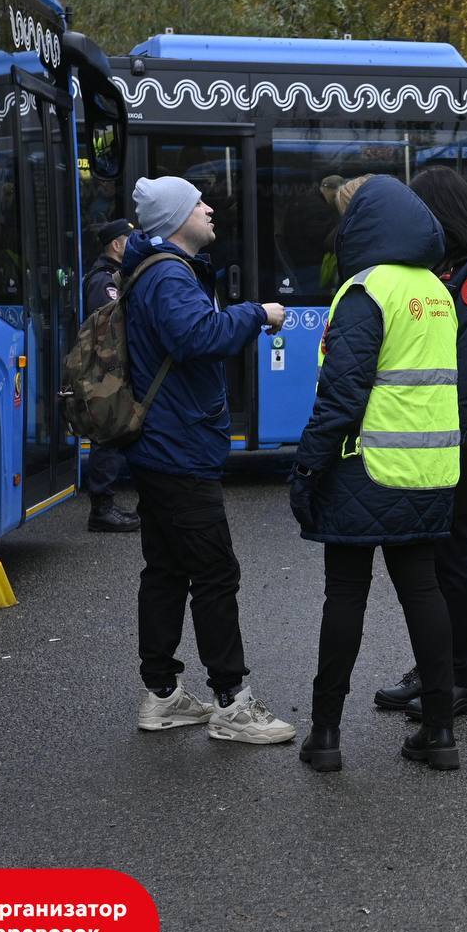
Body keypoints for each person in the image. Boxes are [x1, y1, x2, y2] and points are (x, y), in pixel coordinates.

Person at [289, 175, 461, 773]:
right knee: (424, 592)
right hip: (431, 467)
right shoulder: (436, 291)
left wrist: (307, 466)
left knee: (345, 594)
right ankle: (439, 731)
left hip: (365, 467)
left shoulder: (366, 291)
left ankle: (326, 735)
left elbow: (341, 394)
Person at [121, 176, 295, 741]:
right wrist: (257, 314)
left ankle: (163, 696)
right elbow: (195, 337)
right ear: (176, 217)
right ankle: (232, 703)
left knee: (168, 570)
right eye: (198, 202)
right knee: (215, 573)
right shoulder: (170, 274)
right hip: (179, 450)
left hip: (163, 445)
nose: (210, 207)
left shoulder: (159, 269)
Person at [372, 168, 467, 723]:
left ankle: (459, 679)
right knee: (428, 561)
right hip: (434, 440)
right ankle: (432, 667)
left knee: (453, 561)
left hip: (460, 440)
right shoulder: (446, 266)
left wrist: (443, 440)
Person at [82, 219, 140, 533]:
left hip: (112, 368)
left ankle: (106, 505)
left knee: (117, 432)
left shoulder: (113, 276)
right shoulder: (103, 281)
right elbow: (107, 325)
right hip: (106, 370)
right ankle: (101, 510)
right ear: (116, 244)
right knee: (108, 435)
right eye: (129, 239)